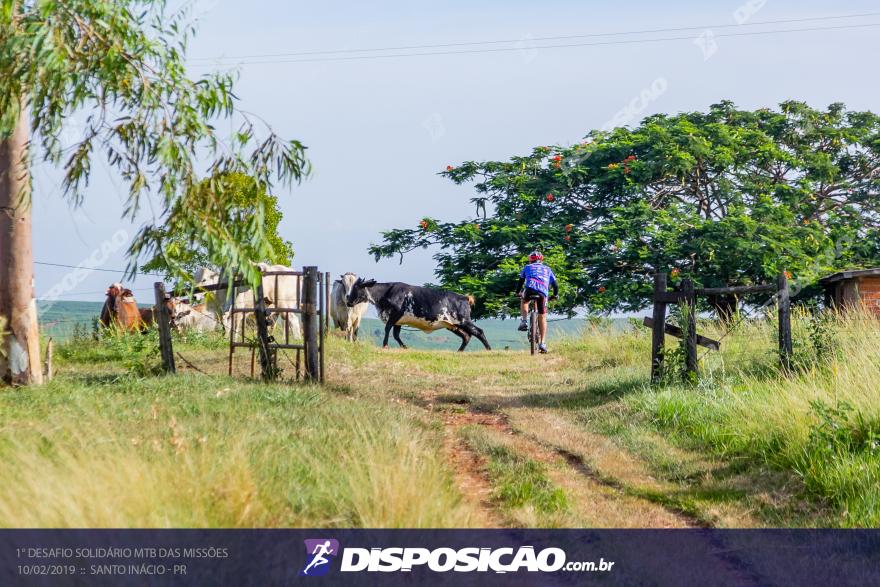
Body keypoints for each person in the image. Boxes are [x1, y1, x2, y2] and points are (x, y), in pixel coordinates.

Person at [515, 251, 558, 353]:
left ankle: (524, 321)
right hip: (543, 292)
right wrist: (555, 295)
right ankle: (542, 343)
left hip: (530, 289)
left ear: (530, 259)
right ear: (541, 260)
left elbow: (520, 281)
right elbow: (555, 285)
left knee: (524, 300)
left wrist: (517, 292)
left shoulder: (527, 267)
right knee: (542, 316)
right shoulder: (548, 269)